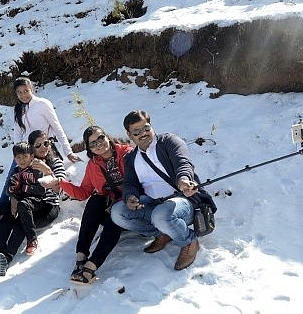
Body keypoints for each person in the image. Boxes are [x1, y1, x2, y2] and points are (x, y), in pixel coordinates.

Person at [110, 110, 201, 271]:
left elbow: (183, 163)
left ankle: (189, 241)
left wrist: (184, 180)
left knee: (161, 214)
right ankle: (163, 233)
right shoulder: (130, 158)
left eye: (146, 128)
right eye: (137, 131)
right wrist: (130, 196)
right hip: (152, 202)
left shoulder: (169, 141)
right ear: (129, 135)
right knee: (117, 212)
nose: (143, 133)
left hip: (182, 201)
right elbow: (130, 183)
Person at [0, 130, 66, 276]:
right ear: (31, 149)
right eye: (38, 145)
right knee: (5, 217)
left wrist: (48, 172)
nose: (44, 147)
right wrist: (14, 199)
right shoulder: (21, 166)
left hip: (47, 206)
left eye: (46, 143)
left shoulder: (55, 162)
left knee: (19, 222)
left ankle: (6, 259)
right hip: (24, 203)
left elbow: (60, 189)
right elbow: (12, 186)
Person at [57, 126, 133, 284]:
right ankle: (81, 256)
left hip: (132, 207)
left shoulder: (127, 154)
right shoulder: (93, 165)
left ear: (107, 137)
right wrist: (60, 183)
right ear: (89, 148)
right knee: (95, 200)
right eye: (93, 143)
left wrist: (120, 201)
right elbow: (84, 192)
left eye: (101, 138)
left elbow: (140, 183)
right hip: (112, 207)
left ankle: (92, 265)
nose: (99, 144)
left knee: (115, 213)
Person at [0, 77, 81, 203]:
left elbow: (57, 127)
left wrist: (68, 151)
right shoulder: (18, 109)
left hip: (43, 147)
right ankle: (2, 209)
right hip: (26, 150)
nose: (23, 95)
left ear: (32, 89)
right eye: (19, 92)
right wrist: (17, 153)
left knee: (39, 179)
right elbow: (18, 133)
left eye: (26, 91)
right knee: (11, 179)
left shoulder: (43, 104)